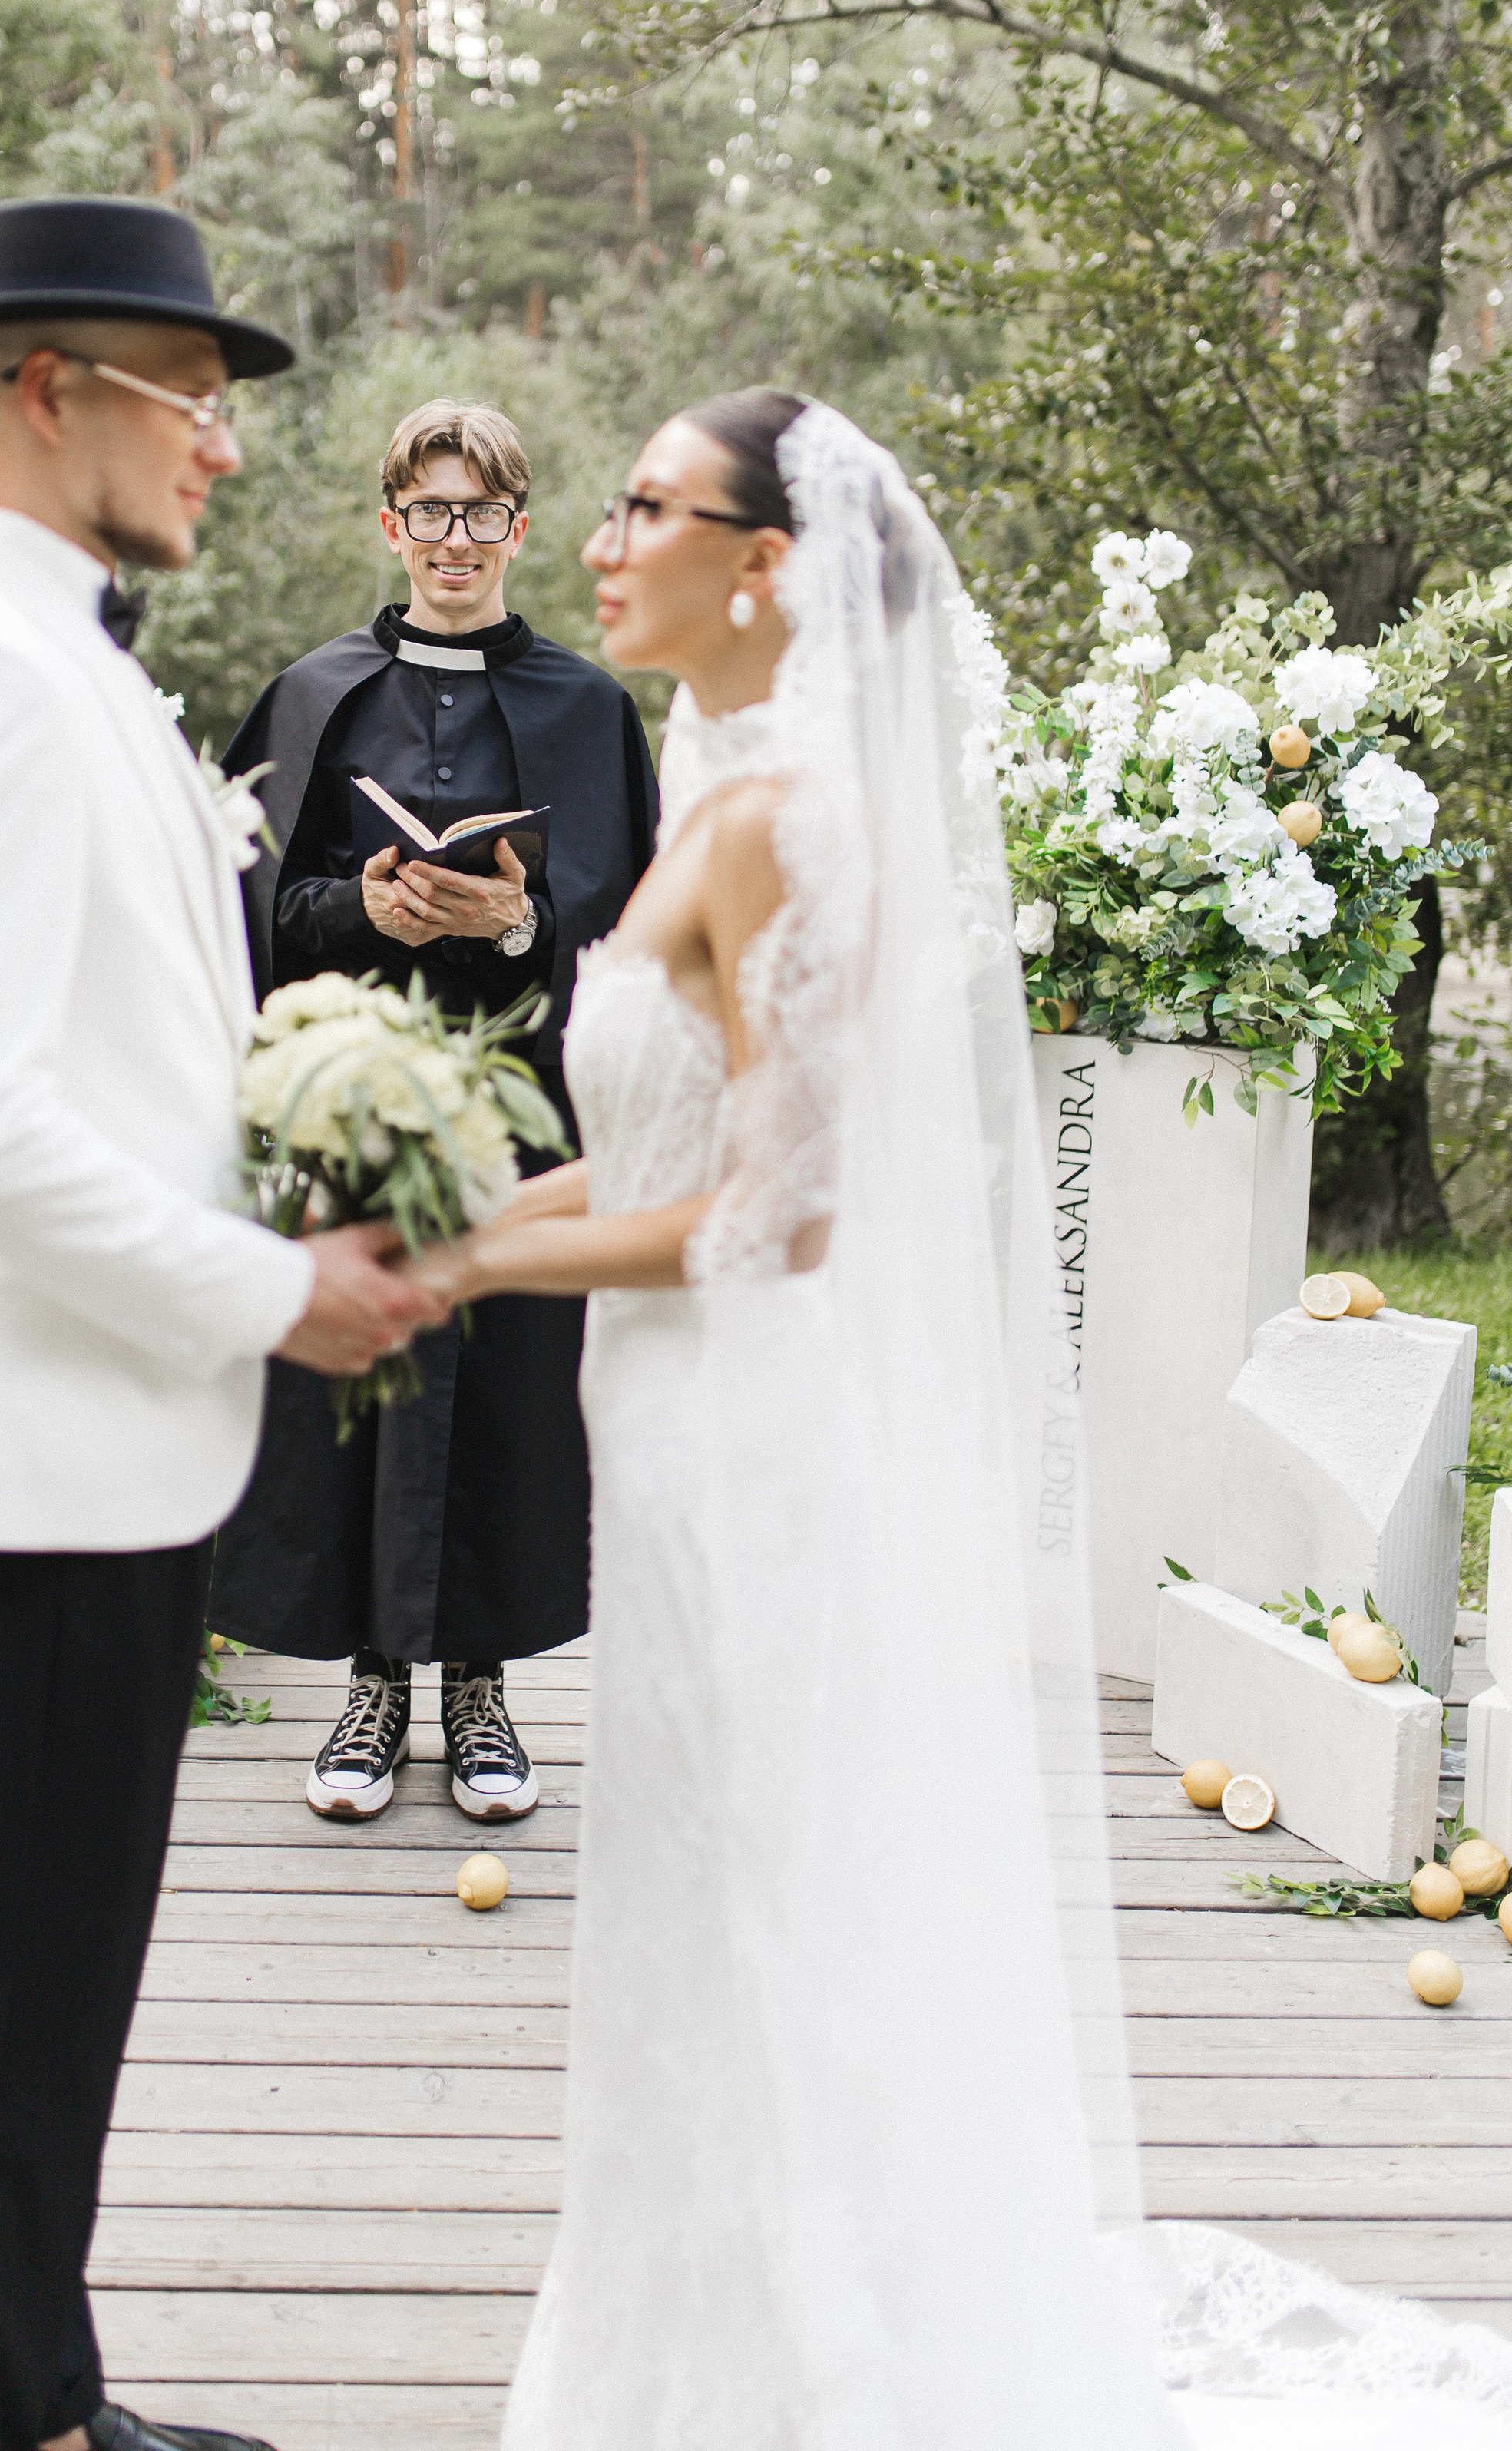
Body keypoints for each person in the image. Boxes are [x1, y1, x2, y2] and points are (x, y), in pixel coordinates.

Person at [414, 389, 1512, 2449]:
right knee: (686, 1903)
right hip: (659, 1440)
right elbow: (663, 1142)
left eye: (648, 506)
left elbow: (779, 1215)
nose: (598, 538)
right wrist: (448, 1215)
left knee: (758, 1906)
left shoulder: (798, 820)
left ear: (771, 567)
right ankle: (686, 2336)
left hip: (752, 1449)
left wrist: (470, 1270)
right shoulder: (711, 778)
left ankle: (809, 2374)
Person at [0, 196, 438, 2451]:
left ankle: (45, 2408)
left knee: (63, 2005)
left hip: (117, 1446)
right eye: (188, 395)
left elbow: (107, 1060)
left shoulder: (73, 663)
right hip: (62, 1462)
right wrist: (277, 1293)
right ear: (44, 391)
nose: (228, 445)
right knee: (11, 2023)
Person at [207, 399, 657, 1823]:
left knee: (512, 1394)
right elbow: (253, 901)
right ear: (389, 525)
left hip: (526, 1111)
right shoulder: (310, 692)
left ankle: (480, 1697)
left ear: (517, 530)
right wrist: (371, 900)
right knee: (362, 1384)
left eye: (481, 515)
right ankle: (370, 1691)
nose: (454, 541)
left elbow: (638, 916)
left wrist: (526, 916)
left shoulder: (589, 708)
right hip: (359, 1096)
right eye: (430, 514)